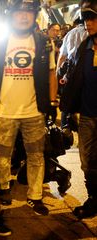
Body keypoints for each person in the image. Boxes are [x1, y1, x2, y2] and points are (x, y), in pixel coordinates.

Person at [0, 0, 57, 215]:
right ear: (11, 15)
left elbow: (51, 73)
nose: (24, 16)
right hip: (4, 112)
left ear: (35, 15)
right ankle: (3, 188)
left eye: (29, 12)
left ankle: (35, 196)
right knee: (3, 155)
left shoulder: (45, 42)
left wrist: (52, 102)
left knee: (36, 155)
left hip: (34, 112)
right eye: (19, 12)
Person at [59, 0, 97, 219]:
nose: (88, 23)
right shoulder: (85, 47)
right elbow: (75, 79)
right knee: (87, 161)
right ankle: (94, 199)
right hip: (88, 116)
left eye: (92, 18)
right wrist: (71, 109)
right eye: (85, 19)